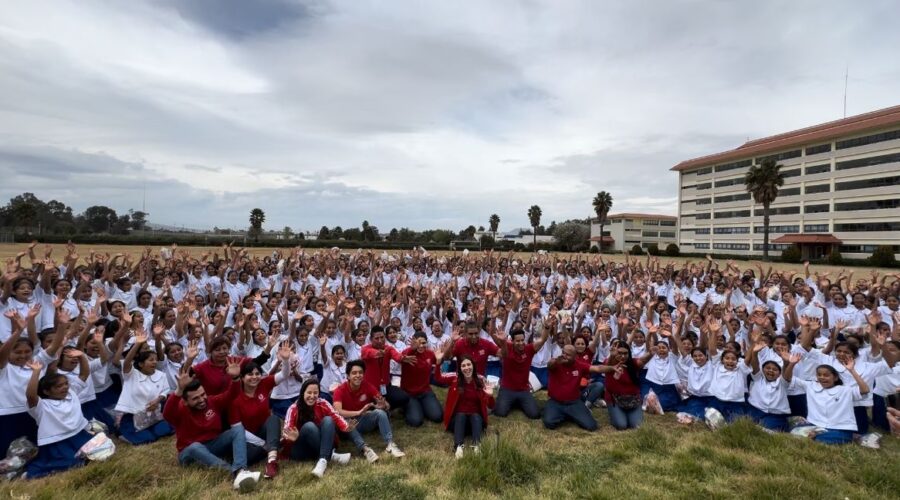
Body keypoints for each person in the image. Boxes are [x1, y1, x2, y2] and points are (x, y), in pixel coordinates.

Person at [162, 368, 261, 491]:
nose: (202, 400)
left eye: (203, 395)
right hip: (189, 453)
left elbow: (231, 395)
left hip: (213, 444)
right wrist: (179, 390)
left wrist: (235, 379)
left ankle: (241, 469)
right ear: (185, 402)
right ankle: (234, 473)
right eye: (195, 398)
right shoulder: (180, 411)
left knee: (237, 429)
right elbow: (167, 413)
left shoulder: (212, 401)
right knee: (195, 446)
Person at [229, 342, 293, 479]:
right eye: (250, 374)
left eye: (257, 373)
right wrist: (264, 444)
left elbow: (284, 374)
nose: (254, 377)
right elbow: (239, 431)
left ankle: (271, 461)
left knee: (274, 418)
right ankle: (273, 448)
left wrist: (286, 360)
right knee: (250, 454)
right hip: (247, 439)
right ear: (242, 378)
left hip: (265, 431)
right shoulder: (235, 398)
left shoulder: (264, 384)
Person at [24, 359, 93, 478]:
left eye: (66, 383)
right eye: (58, 386)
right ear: (46, 391)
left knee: (98, 452)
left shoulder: (71, 393)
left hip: (78, 435)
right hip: (57, 442)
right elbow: (31, 395)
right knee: (72, 462)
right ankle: (33, 471)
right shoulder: (41, 406)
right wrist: (36, 372)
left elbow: (84, 374)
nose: (65, 387)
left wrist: (81, 356)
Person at [785, 356, 870, 444]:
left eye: (826, 375)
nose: (822, 377)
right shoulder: (811, 386)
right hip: (815, 425)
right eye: (819, 375)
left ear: (835, 378)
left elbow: (865, 390)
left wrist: (852, 370)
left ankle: (825, 436)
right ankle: (817, 434)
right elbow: (788, 378)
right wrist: (792, 364)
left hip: (839, 428)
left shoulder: (844, 390)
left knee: (820, 440)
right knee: (794, 429)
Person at [332, 359, 405, 462]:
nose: (358, 375)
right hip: (347, 427)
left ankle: (390, 444)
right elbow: (338, 411)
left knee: (380, 413)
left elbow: (386, 405)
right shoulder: (340, 390)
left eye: (360, 373)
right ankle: (365, 449)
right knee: (347, 422)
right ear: (348, 376)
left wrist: (383, 405)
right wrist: (358, 412)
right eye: (354, 373)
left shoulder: (367, 386)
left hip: (362, 420)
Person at [280, 379, 352, 478]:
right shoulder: (293, 408)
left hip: (319, 443)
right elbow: (287, 431)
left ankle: (322, 460)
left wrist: (346, 427)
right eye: (309, 392)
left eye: (315, 393)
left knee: (328, 420)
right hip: (301, 449)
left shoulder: (323, 403)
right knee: (309, 426)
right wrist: (291, 438)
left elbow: (335, 416)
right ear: (302, 393)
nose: (312, 396)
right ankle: (331, 455)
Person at [113, 329, 173, 445]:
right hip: (134, 416)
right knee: (147, 439)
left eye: (155, 360)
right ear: (141, 364)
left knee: (164, 431)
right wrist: (137, 344)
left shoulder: (161, 375)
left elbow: (165, 391)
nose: (154, 363)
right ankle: (122, 431)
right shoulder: (132, 374)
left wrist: (158, 400)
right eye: (151, 360)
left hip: (154, 415)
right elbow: (126, 363)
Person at [543, 345, 618, 431]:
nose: (564, 356)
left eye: (568, 354)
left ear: (575, 356)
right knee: (549, 423)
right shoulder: (556, 363)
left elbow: (598, 368)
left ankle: (568, 414)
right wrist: (555, 361)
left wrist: (612, 368)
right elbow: (550, 365)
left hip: (573, 402)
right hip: (556, 402)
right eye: (563, 353)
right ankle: (567, 414)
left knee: (592, 426)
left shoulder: (579, 365)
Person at [433, 355, 495, 459]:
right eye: (463, 366)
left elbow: (491, 405)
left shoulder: (480, 380)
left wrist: (490, 395)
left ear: (473, 366)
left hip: (475, 423)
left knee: (475, 416)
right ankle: (458, 446)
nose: (467, 368)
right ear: (460, 368)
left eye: (469, 364)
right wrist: (438, 362)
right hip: (457, 422)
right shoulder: (455, 378)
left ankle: (477, 446)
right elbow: (438, 378)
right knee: (460, 415)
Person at [490, 324, 548, 419]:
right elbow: (493, 334)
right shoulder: (507, 346)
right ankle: (513, 401)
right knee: (500, 413)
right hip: (507, 389)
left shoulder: (529, 349)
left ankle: (517, 402)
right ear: (512, 341)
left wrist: (546, 327)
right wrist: (493, 319)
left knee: (535, 415)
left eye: (522, 340)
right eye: (517, 341)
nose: (520, 343)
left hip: (523, 390)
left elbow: (543, 340)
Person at [399, 332, 443, 427]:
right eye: (419, 343)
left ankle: (422, 406)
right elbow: (404, 357)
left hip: (425, 392)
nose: (421, 346)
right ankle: (406, 407)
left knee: (438, 417)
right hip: (409, 394)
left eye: (424, 343)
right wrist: (412, 349)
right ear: (414, 342)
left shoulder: (430, 354)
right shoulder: (407, 353)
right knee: (416, 421)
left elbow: (439, 360)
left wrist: (443, 354)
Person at [603, 342, 643, 430]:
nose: (623, 356)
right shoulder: (608, 362)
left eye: (625, 353)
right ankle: (616, 414)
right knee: (621, 425)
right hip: (615, 400)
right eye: (619, 353)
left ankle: (626, 413)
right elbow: (607, 366)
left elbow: (643, 360)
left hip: (633, 399)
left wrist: (651, 353)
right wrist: (612, 356)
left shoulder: (633, 362)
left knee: (637, 426)